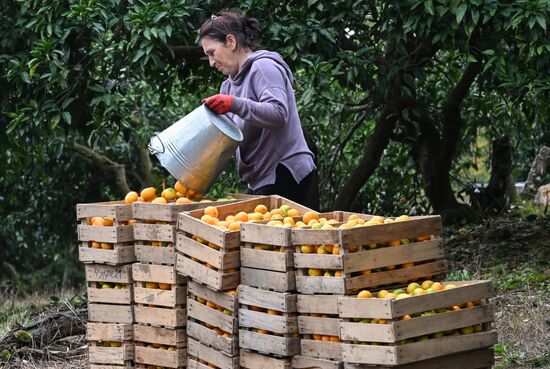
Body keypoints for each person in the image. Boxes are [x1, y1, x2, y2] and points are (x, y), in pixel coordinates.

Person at [199, 10, 319, 210]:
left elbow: (279, 113)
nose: (211, 62)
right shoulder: (227, 86)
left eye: (212, 53)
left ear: (231, 41)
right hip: (260, 178)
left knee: (276, 238)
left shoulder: (263, 67)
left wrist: (233, 104)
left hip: (284, 171)